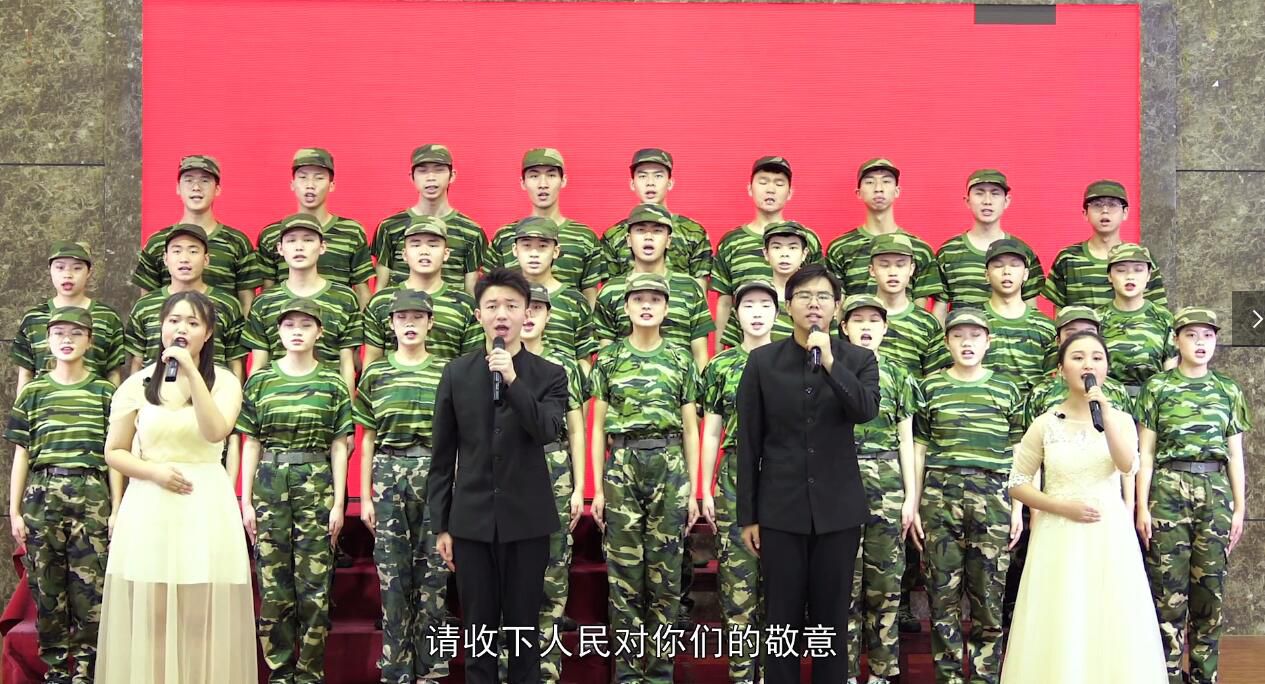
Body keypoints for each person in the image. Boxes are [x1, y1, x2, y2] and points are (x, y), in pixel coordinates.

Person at [96, 291, 256, 684]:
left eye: (192, 322)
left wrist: (190, 372)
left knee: (199, 616)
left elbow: (215, 431)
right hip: (151, 505)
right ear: (162, 327)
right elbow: (114, 451)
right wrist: (152, 473)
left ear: (208, 333)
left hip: (204, 505)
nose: (181, 328)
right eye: (174, 320)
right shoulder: (136, 384)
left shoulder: (226, 383)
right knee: (154, 616)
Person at [737, 264, 881, 684]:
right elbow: (749, 441)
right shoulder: (762, 362)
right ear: (789, 306)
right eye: (803, 296)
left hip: (838, 511)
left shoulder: (859, 359)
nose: (813, 304)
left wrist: (832, 363)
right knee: (780, 617)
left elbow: (865, 410)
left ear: (837, 307)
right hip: (780, 509)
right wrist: (748, 515)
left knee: (831, 618)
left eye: (822, 297)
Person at [426, 268, 569, 684]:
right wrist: (442, 525)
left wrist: (512, 379)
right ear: (478, 315)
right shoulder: (457, 373)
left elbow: (546, 429)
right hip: (471, 522)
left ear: (527, 313)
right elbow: (442, 456)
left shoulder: (549, 374)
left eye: (511, 305)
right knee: (479, 633)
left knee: (524, 631)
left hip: (527, 522)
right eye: (492, 306)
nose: (501, 314)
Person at [1002, 331, 1166, 683]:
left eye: (1096, 357)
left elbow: (1126, 465)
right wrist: (1060, 507)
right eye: (1077, 357)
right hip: (1058, 536)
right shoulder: (1045, 423)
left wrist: (1105, 415)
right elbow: (1017, 483)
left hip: (1108, 536)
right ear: (1062, 369)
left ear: (1105, 368)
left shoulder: (1120, 419)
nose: (1087, 364)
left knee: (1110, 617)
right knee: (1061, 616)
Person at [589, 272, 702, 683]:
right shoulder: (609, 359)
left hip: (669, 464)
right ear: (627, 307)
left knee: (666, 577)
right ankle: (626, 674)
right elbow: (597, 427)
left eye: (655, 299)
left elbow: (691, 429)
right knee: (624, 576)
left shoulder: (680, 359)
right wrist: (598, 488)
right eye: (639, 299)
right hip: (622, 463)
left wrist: (693, 488)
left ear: (667, 308)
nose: (647, 306)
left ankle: (658, 674)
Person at [237, 297, 353, 684]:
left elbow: (339, 445)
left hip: (316, 482)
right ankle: (280, 673)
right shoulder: (261, 381)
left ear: (320, 332)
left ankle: (310, 674)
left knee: (315, 588)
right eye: (289, 325)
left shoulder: (332, 383)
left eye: (305, 325)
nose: (297, 332)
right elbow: (251, 442)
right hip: (270, 483)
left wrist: (339, 503)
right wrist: (245, 500)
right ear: (278, 332)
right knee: (274, 589)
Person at [1135, 308, 1251, 684]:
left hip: (1214, 491)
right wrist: (1142, 506)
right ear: (1176, 340)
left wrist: (1239, 509)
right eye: (1191, 335)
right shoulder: (1157, 388)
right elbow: (1145, 453)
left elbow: (1235, 455)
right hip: (1167, 490)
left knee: (1209, 594)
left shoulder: (1228, 389)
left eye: (1208, 335)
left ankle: (1204, 676)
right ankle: (1165, 675)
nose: (1201, 343)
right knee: (1167, 593)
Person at [6, 307, 119, 683]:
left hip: (91, 494)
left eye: (76, 333)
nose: (67, 340)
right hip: (43, 494)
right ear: (47, 341)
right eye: (58, 333)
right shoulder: (33, 392)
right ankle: (56, 671)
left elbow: (115, 455)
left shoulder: (105, 392)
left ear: (90, 340)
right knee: (47, 589)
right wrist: (15, 511)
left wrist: (117, 508)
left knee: (91, 591)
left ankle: (85, 671)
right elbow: (21, 454)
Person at [915, 308, 1024, 684]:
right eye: (958, 336)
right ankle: (947, 676)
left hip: (992, 497)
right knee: (941, 595)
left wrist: (1017, 508)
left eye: (975, 336)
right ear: (947, 342)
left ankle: (985, 676)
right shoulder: (930, 387)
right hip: (940, 495)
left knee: (988, 597)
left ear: (988, 341)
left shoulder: (1007, 389)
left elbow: (1019, 454)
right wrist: (915, 504)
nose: (967, 343)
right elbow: (919, 450)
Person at [355, 289, 452, 683]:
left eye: (417, 317)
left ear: (430, 323)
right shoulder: (376, 374)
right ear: (391, 324)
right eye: (401, 318)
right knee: (393, 577)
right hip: (388, 473)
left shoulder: (447, 371)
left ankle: (432, 670)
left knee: (435, 576)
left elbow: (460, 436)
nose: (409, 324)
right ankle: (395, 670)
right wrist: (365, 495)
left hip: (436, 472)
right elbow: (367, 439)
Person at [839, 295, 922, 684]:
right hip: (839, 481)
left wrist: (910, 498)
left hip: (887, 485)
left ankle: (883, 672)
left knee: (886, 586)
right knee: (842, 586)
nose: (866, 327)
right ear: (844, 328)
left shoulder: (899, 375)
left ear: (886, 328)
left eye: (874, 320)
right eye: (858, 320)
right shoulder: (828, 369)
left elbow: (906, 439)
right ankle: (843, 672)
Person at [700, 280, 777, 684]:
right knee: (738, 584)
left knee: (781, 589)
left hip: (782, 477)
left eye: (765, 305)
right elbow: (712, 431)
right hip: (735, 476)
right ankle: (743, 676)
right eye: (748, 305)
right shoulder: (721, 366)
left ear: (778, 313)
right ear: (736, 314)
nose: (757, 313)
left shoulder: (792, 360)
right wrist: (705, 486)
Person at [520, 284, 589, 682]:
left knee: (553, 566)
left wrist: (579, 486)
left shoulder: (563, 365)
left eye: (538, 309)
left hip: (554, 468)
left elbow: (576, 429)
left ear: (548, 315)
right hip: (510, 468)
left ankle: (546, 671)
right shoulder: (491, 360)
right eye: (523, 307)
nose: (529, 315)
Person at [712, 156, 824, 353]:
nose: (770, 189)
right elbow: (725, 302)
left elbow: (820, 297)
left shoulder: (807, 240)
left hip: (796, 350)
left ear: (790, 192)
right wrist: (719, 353)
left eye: (779, 184)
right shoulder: (732, 242)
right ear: (750, 189)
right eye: (763, 182)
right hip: (746, 351)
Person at [243, 214, 362, 392]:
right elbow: (258, 365)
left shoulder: (344, 299)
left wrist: (347, 407)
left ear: (322, 247)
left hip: (327, 398)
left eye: (308, 240)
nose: (299, 247)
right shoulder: (264, 302)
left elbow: (346, 365)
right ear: (280, 248)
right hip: (276, 397)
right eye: (291, 241)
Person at [132, 155, 261, 315]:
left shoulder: (236, 242)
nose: (196, 187)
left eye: (205, 180)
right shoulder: (158, 243)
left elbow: (247, 305)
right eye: (188, 180)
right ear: (178, 188)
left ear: (217, 189)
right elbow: (147, 305)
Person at [595, 204, 714, 369]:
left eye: (657, 231)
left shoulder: (690, 288)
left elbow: (700, 355)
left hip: (679, 383)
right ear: (629, 239)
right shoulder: (611, 291)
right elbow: (604, 357)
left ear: (668, 240)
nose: (648, 237)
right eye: (640, 230)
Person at [485, 148, 605, 307]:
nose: (543, 184)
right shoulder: (505, 237)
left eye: (551, 175)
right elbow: (491, 294)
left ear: (563, 180)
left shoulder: (584, 237)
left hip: (567, 322)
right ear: (523, 182)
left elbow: (590, 300)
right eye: (534, 176)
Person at [124, 224, 247, 379]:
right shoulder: (145, 305)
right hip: (156, 390)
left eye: (193, 251)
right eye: (176, 251)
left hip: (211, 390)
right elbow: (137, 362)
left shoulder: (228, 304)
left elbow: (235, 362)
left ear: (206, 259)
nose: (184, 259)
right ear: (165, 259)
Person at [257, 148, 375, 308]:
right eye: (303, 177)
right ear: (292, 184)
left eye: (319, 178)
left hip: (337, 319)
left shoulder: (352, 232)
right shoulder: (272, 234)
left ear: (331, 185)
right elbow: (267, 291)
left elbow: (362, 290)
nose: (310, 185)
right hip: (289, 320)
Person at [364, 215, 484, 365]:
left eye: (433, 245)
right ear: (404, 254)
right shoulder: (381, 302)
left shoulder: (465, 306)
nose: (424, 251)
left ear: (446, 253)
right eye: (415, 245)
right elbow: (372, 362)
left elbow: (471, 367)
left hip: (448, 381)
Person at [372, 144, 488, 293]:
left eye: (439, 170)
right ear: (412, 177)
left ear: (452, 175)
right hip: (401, 306)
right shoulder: (390, 227)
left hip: (452, 306)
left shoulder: (472, 232)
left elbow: (471, 292)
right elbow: (380, 288)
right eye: (422, 171)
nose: (431, 177)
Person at [825, 158, 942, 306]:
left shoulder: (919, 248)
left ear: (897, 191)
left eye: (886, 181)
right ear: (858, 193)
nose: (878, 188)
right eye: (869, 182)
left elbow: (920, 311)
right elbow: (837, 307)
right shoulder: (840, 248)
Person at [932, 170, 1043, 322]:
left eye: (995, 193)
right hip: (963, 334)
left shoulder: (1022, 252)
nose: (987, 201)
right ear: (967, 201)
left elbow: (1031, 310)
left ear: (1006, 201)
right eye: (979, 193)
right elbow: (940, 310)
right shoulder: (948, 252)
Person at [14, 241, 125, 391]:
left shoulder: (107, 318)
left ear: (89, 272)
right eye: (60, 267)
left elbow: (113, 373)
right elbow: (26, 374)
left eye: (77, 268)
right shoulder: (34, 319)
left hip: (93, 403)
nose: (68, 275)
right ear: (50, 270)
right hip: (43, 403)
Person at [1042, 180, 1167, 312]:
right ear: (1085, 213)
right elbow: (1060, 316)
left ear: (1125, 212)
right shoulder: (1068, 258)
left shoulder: (1141, 258)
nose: (1105, 211)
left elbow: (1157, 312)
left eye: (1112, 205)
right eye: (1097, 205)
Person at [602, 148, 712, 287]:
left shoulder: (693, 232)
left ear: (670, 183)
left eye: (658, 176)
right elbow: (609, 293)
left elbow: (699, 292)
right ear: (632, 184)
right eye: (642, 176)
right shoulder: (614, 235)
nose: (650, 182)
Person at [512, 216, 597, 370]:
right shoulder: (505, 300)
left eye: (542, 246)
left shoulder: (574, 301)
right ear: (515, 250)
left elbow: (584, 358)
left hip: (564, 383)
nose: (534, 253)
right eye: (526, 245)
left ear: (556, 251)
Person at [1098, 243, 1178, 399]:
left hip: (1151, 401)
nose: (1130, 276)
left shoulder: (1163, 317)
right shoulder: (1097, 318)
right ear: (1109, 276)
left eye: (1138, 270)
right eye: (1121, 270)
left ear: (1149, 275)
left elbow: (1170, 370)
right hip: (1107, 400)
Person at [978, 239, 1057, 395]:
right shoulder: (972, 323)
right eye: (998, 266)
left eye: (1014, 265)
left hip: (1033, 407)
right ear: (987, 275)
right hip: (985, 406)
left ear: (1026, 274)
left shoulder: (1046, 327)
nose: (1006, 271)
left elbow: (1054, 383)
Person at [718, 221, 811, 348]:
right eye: (776, 247)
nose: (784, 254)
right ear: (766, 253)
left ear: (804, 254)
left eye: (792, 247)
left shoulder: (814, 300)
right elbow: (734, 350)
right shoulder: (750, 294)